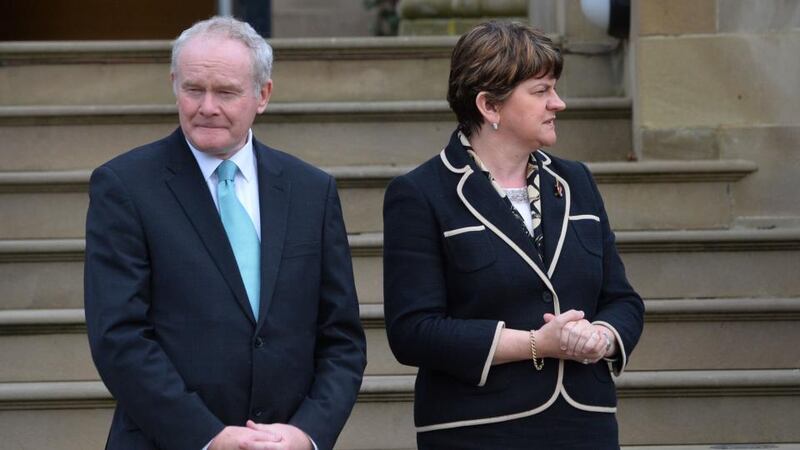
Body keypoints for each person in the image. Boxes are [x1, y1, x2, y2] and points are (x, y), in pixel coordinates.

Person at [84, 16, 366, 450]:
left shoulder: (311, 190)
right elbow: (118, 337)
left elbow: (341, 337)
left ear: (263, 95)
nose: (207, 106)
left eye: (227, 92)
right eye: (193, 89)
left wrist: (307, 432)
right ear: (174, 84)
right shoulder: (124, 186)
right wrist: (206, 436)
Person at [383, 21, 645, 449]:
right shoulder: (420, 193)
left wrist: (601, 337)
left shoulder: (575, 181)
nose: (558, 103)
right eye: (541, 91)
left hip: (585, 424)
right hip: (477, 429)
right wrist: (536, 344)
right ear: (489, 106)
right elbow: (414, 331)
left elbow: (622, 299)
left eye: (554, 89)